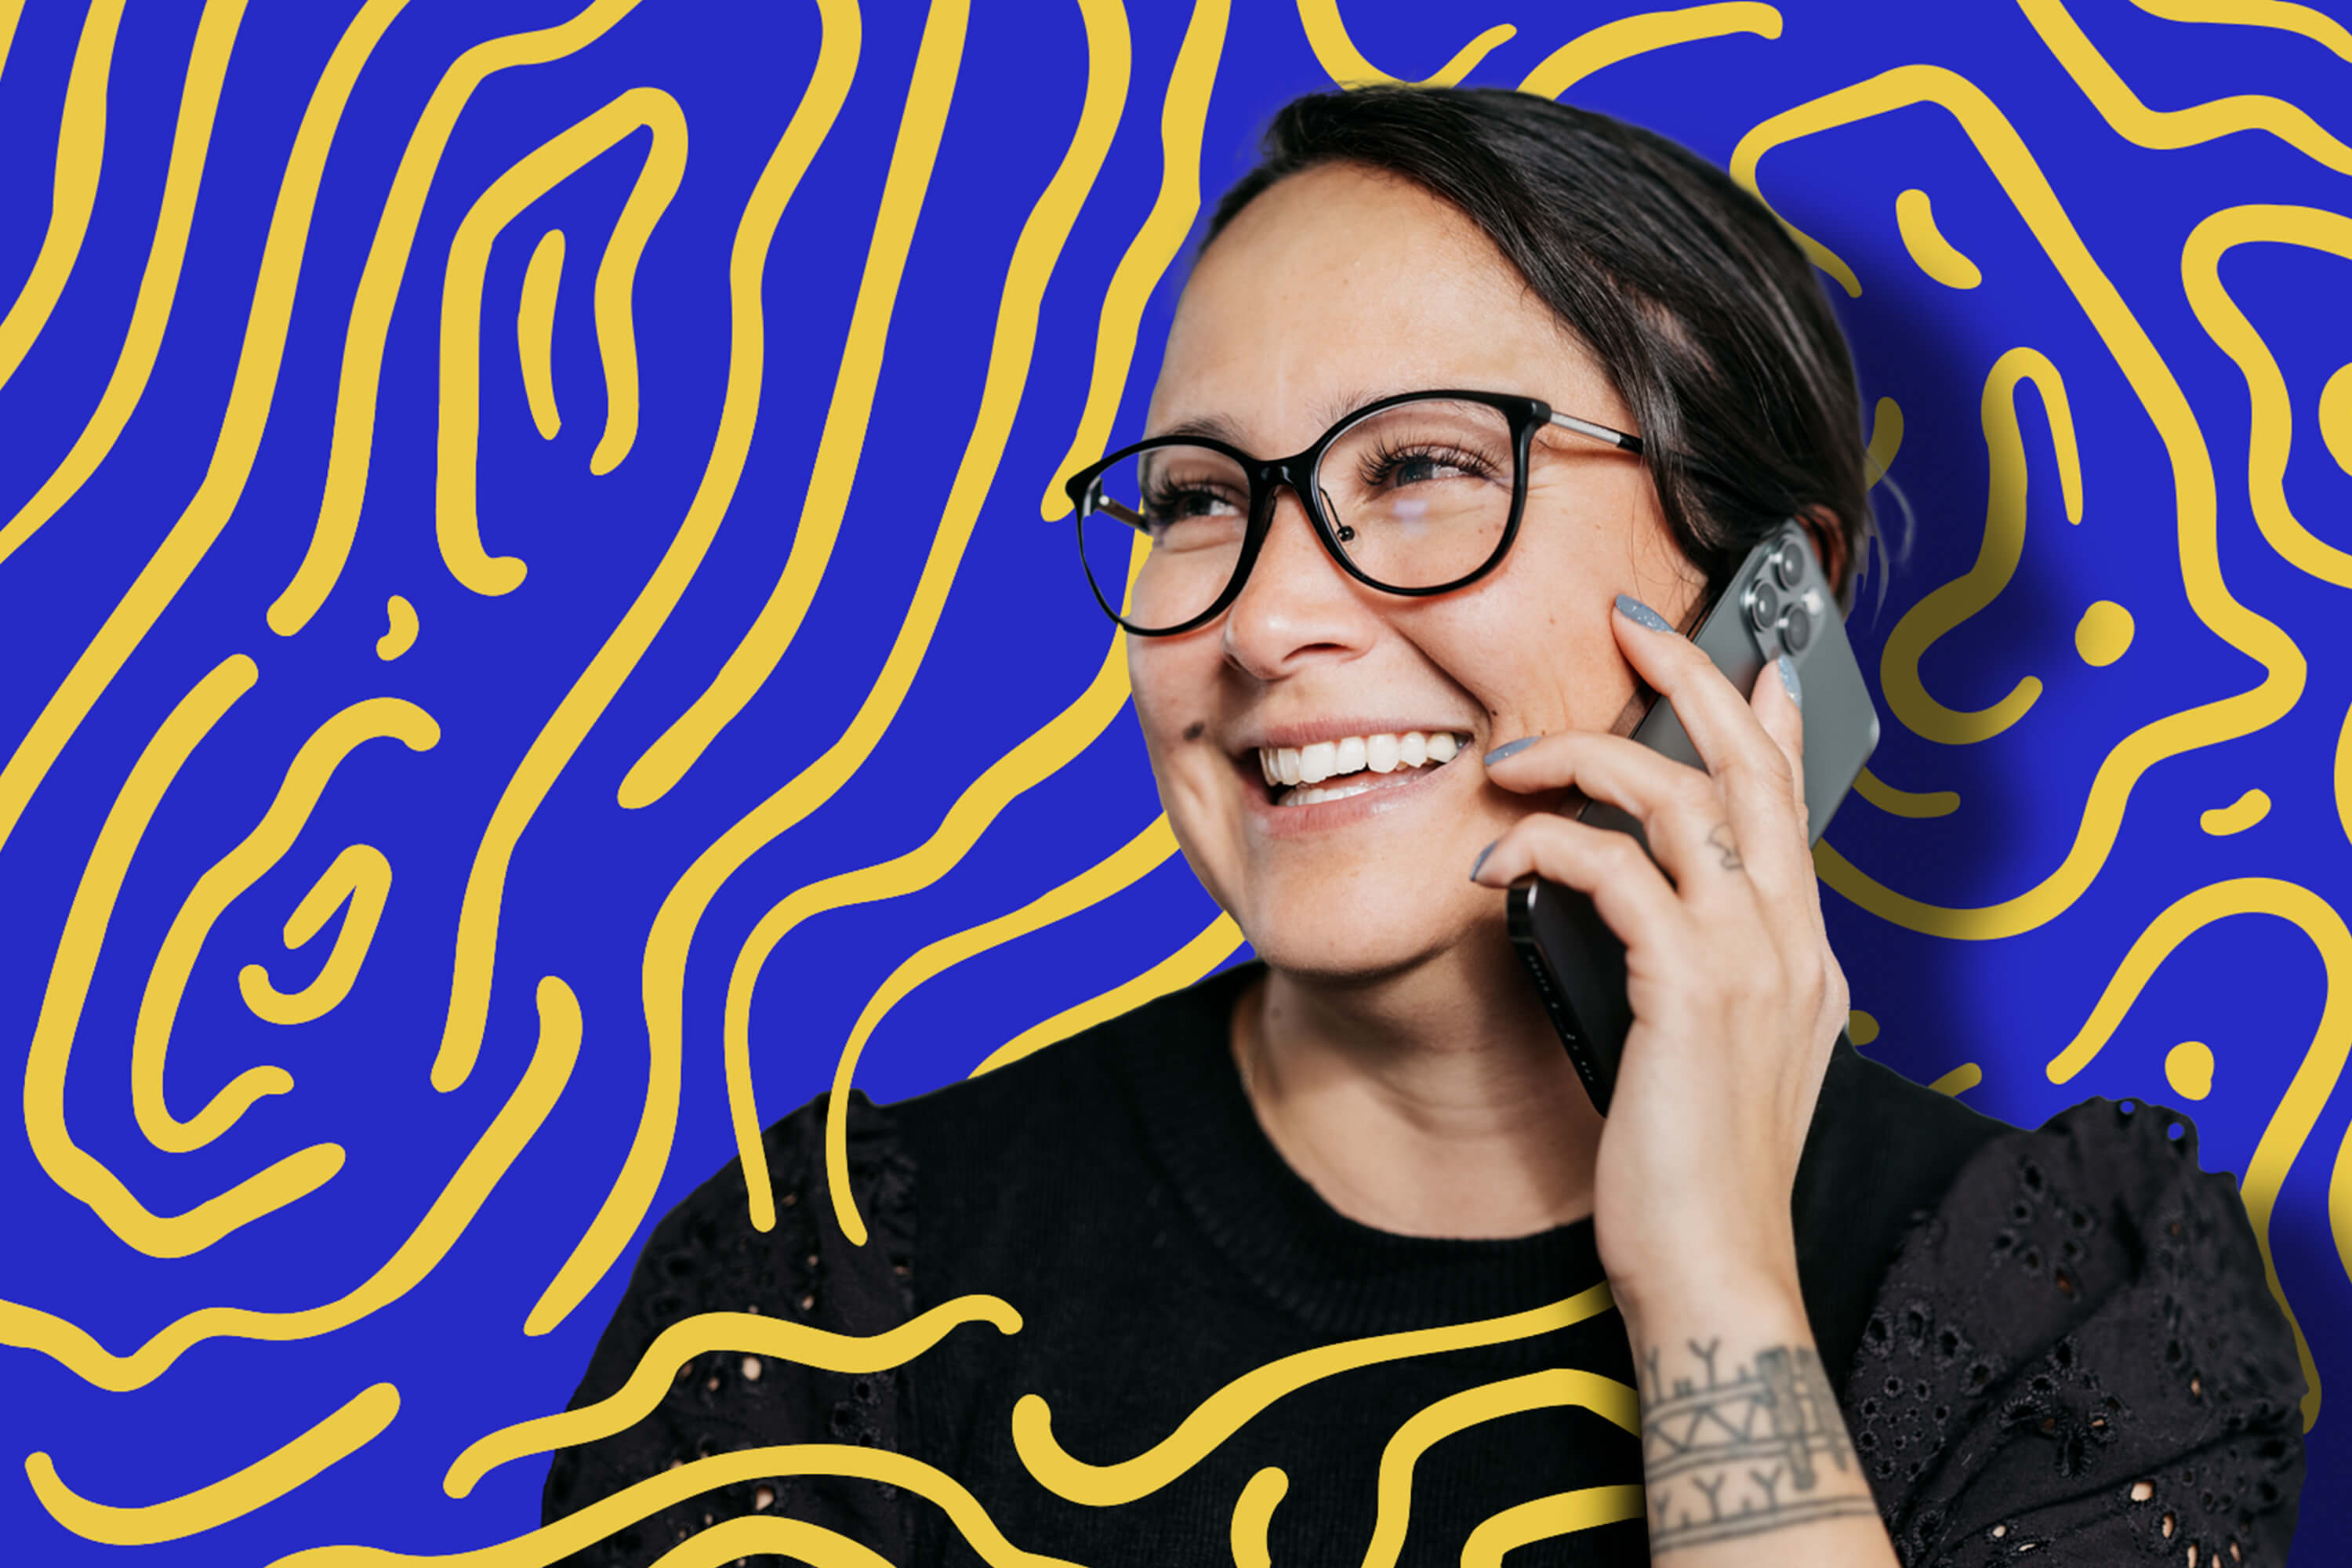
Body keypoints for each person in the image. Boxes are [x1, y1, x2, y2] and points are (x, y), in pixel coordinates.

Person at [540, 86, 2306, 1565]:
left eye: (1425, 469)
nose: (1262, 617)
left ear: (1775, 602)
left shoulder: (2080, 1307)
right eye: (1197, 498)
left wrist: (1710, 1281)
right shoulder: (833, 1294)